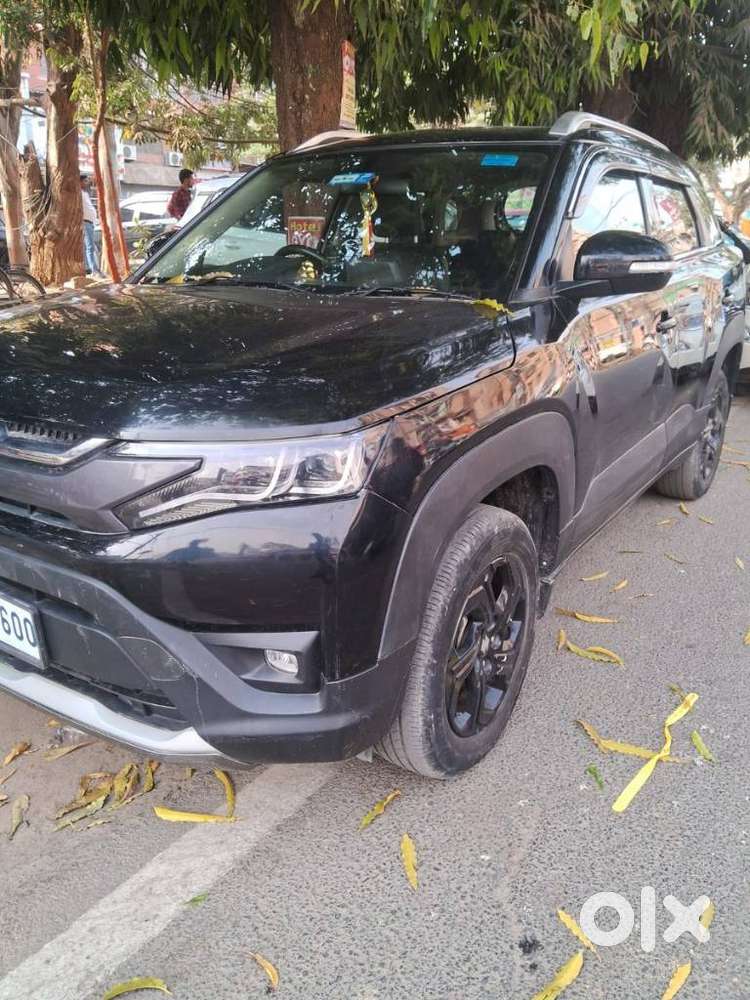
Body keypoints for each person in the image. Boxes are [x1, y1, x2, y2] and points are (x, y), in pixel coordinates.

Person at [80, 174, 102, 277]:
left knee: (92, 247)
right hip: (85, 222)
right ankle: (94, 270)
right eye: (85, 181)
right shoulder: (78, 193)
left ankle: (92, 268)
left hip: (90, 223)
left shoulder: (85, 193)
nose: (87, 183)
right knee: (90, 247)